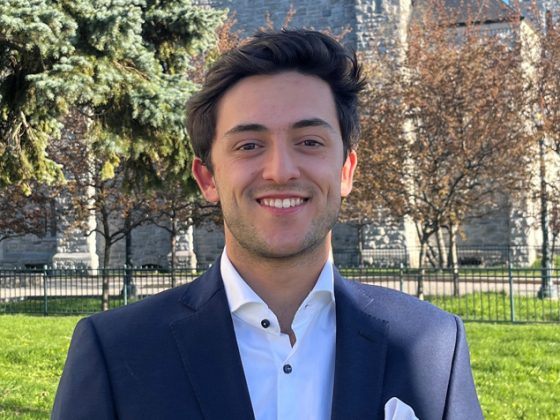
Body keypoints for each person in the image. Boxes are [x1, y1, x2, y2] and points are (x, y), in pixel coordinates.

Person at [52, 29, 483, 420]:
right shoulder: (116, 351)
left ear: (346, 171)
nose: (280, 170)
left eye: (310, 141)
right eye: (250, 145)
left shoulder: (432, 346)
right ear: (207, 178)